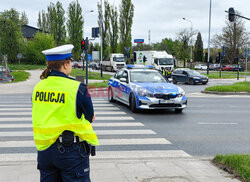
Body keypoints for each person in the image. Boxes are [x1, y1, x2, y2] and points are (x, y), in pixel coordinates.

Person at [32, 44, 99, 182]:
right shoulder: (78, 88)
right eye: (70, 62)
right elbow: (90, 117)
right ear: (65, 65)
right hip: (71, 153)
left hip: (45, 151)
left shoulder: (38, 87)